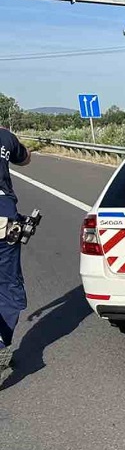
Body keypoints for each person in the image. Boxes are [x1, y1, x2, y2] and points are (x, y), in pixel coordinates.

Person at [0, 127, 31, 383]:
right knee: (7, 285)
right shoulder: (5, 137)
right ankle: (1, 343)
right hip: (4, 219)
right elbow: (25, 158)